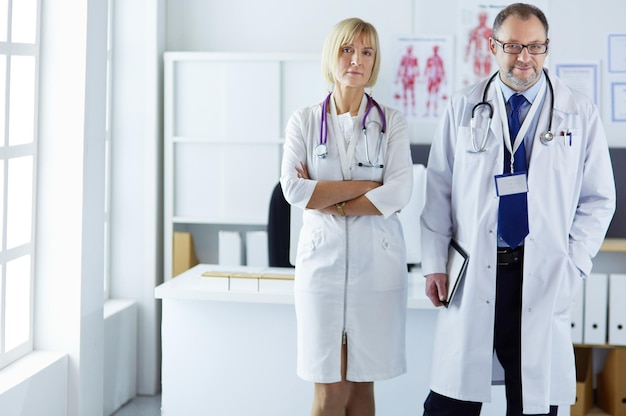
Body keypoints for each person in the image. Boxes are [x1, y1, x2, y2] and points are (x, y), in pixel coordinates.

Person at [420, 3, 615, 416]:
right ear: (492, 46)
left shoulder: (578, 112)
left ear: (547, 48)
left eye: (534, 46)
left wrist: (574, 263)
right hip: (475, 272)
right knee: (449, 403)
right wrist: (435, 264)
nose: (524, 57)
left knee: (533, 404)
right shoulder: (463, 107)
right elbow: (437, 191)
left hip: (541, 273)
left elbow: (599, 200)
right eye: (512, 45)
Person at [280, 17, 413, 416]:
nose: (357, 59)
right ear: (331, 55)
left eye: (367, 52)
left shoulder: (392, 122)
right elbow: (293, 190)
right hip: (321, 271)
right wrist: (368, 187)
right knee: (329, 393)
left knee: (361, 388)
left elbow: (401, 192)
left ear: (374, 62)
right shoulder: (304, 121)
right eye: (347, 49)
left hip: (376, 271)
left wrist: (328, 198)